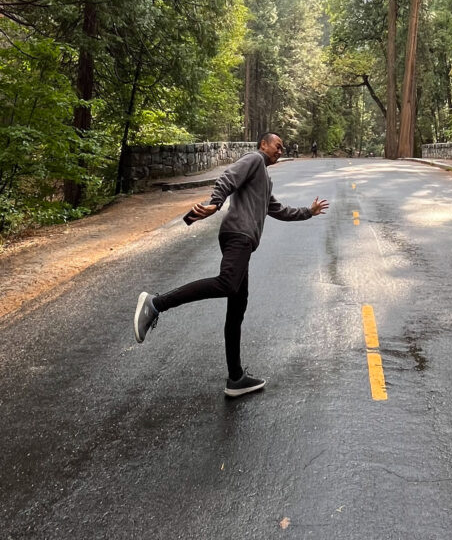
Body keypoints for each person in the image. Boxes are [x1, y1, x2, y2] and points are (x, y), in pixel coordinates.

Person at [133, 132, 329, 397]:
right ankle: (156, 304)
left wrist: (308, 211)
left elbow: (279, 211)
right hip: (239, 235)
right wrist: (215, 203)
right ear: (263, 144)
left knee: (237, 304)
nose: (280, 150)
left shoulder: (264, 180)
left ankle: (236, 378)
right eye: (277, 145)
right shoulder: (255, 159)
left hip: (241, 240)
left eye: (283, 148)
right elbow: (228, 176)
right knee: (227, 283)